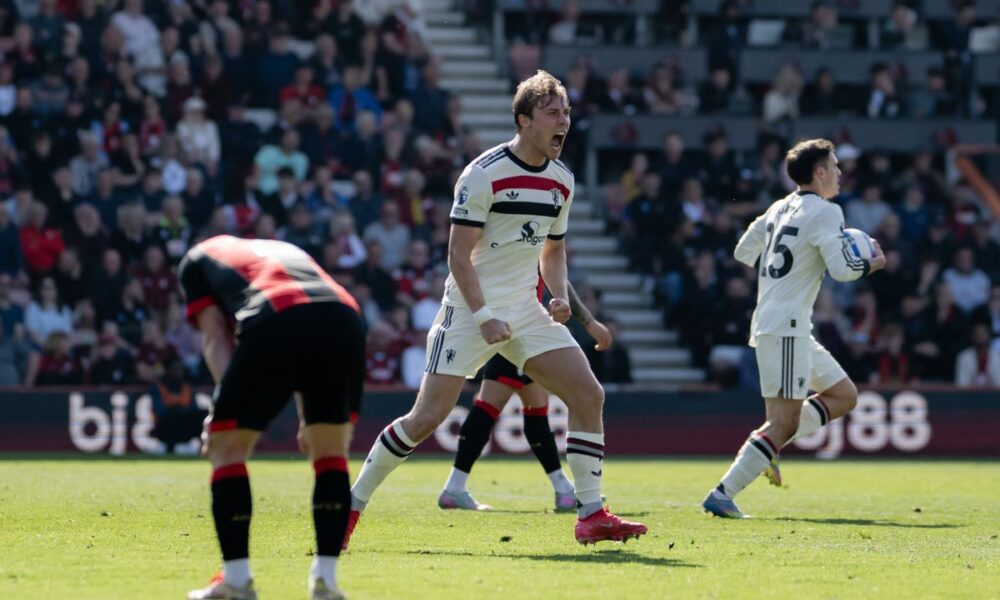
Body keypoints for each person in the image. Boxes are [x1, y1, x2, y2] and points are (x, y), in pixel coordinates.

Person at [345, 70, 647, 549]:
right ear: (524, 120)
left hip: (526, 310)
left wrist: (561, 294)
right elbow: (457, 255)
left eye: (566, 113)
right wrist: (483, 315)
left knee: (588, 395)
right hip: (468, 312)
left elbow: (553, 251)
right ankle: (351, 505)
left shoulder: (562, 181)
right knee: (426, 418)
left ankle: (591, 514)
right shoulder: (484, 173)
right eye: (553, 113)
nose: (563, 121)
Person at [702, 139, 887, 519]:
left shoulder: (778, 207)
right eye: (834, 166)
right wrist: (871, 262)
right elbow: (842, 270)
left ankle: (767, 447)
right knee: (783, 422)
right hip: (785, 326)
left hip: (787, 325)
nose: (839, 172)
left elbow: (743, 252)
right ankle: (724, 492)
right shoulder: (827, 211)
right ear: (818, 172)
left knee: (844, 395)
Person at [180, 235, 365, 600]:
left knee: (225, 448)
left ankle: (236, 582)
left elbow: (216, 335)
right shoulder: (284, 249)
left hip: (277, 311)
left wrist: (222, 409)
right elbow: (311, 315)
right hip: (345, 316)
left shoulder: (196, 260)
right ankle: (325, 581)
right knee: (329, 451)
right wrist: (305, 414)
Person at [438, 281, 613, 511]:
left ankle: (455, 487)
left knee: (527, 407)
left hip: (519, 325)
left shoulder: (532, 249)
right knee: (495, 406)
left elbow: (554, 277)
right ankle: (562, 490)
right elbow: (555, 277)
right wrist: (590, 323)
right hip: (518, 327)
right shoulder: (531, 246)